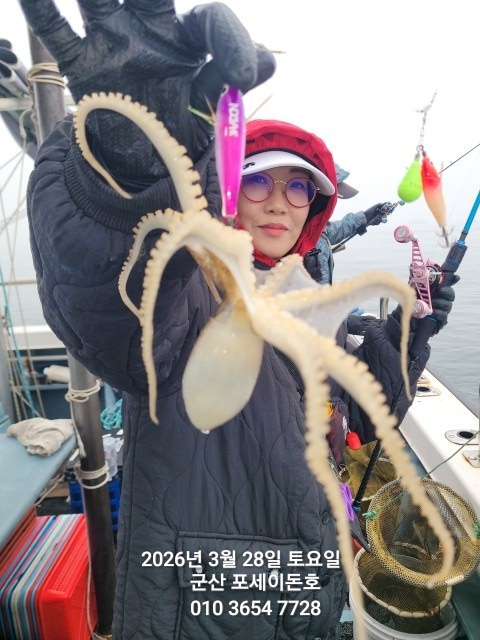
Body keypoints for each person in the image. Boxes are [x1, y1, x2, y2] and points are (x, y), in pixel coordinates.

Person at [19, 1, 457, 639]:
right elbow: (120, 315)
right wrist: (131, 173)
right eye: (259, 182)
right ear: (225, 187)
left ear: (312, 209)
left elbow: (362, 413)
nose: (280, 203)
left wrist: (405, 337)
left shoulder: (310, 300)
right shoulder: (188, 286)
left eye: (299, 188)